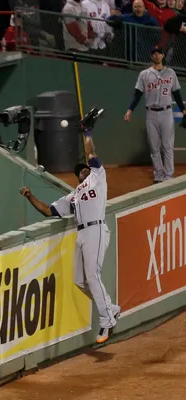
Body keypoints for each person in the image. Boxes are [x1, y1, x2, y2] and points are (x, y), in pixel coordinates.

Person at [20, 107, 120, 344]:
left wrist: (87, 134)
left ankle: (107, 321)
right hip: (82, 234)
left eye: (84, 169)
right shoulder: (73, 195)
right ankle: (111, 307)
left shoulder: (98, 177)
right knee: (80, 280)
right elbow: (48, 210)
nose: (82, 172)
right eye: (79, 172)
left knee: (93, 277)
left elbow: (91, 153)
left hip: (96, 229)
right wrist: (29, 196)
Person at [124, 45, 186, 184]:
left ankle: (169, 176)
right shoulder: (144, 74)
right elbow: (137, 94)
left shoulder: (171, 73)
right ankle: (158, 176)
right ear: (151, 56)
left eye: (159, 53)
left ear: (163, 55)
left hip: (166, 113)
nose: (156, 55)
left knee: (167, 146)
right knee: (154, 147)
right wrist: (130, 110)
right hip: (151, 114)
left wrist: (183, 110)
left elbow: (176, 93)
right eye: (154, 53)